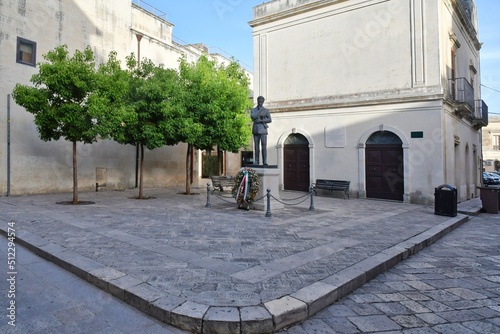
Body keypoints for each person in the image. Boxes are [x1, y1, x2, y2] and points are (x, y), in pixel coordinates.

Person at [251, 96, 272, 165]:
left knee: (264, 146)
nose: (260, 102)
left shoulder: (266, 110)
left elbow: (269, 119)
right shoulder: (253, 110)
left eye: (261, 101)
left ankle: (264, 161)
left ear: (263, 102)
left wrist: (261, 120)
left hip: (263, 129)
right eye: (259, 101)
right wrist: (259, 112)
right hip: (256, 130)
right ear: (257, 101)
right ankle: (256, 161)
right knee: (256, 147)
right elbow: (253, 117)